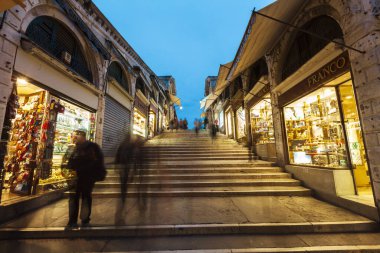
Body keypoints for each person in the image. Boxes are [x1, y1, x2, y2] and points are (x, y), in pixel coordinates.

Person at [66, 130, 105, 228]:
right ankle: (72, 221)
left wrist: (96, 174)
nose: (73, 138)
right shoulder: (72, 147)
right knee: (74, 198)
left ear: (82, 136)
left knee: (85, 197)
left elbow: (99, 161)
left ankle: (84, 219)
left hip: (88, 177)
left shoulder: (92, 147)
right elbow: (67, 161)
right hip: (75, 177)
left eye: (76, 136)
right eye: (74, 136)